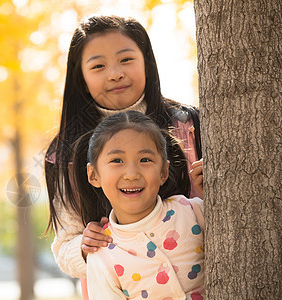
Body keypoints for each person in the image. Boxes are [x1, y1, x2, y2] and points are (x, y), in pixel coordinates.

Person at [44, 15, 203, 286]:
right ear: (80, 78)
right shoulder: (66, 155)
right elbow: (64, 246)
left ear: (147, 64)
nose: (115, 73)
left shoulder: (187, 124)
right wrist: (82, 246)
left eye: (126, 60)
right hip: (119, 287)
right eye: (98, 66)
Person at [74, 110, 204, 299]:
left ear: (163, 172)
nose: (132, 173)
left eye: (145, 160)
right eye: (117, 160)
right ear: (94, 175)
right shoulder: (102, 256)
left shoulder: (193, 212)